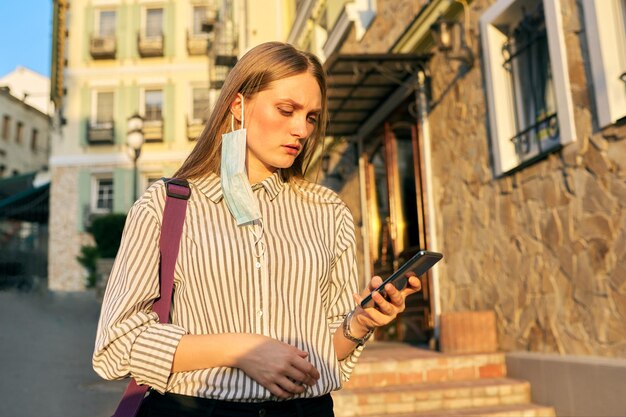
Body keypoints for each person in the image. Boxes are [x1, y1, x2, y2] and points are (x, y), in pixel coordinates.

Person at [93, 41, 422, 417]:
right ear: (238, 105)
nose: (301, 129)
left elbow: (323, 352)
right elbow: (115, 346)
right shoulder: (166, 204)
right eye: (286, 110)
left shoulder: (329, 212)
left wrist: (360, 322)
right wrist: (242, 350)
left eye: (311, 117)